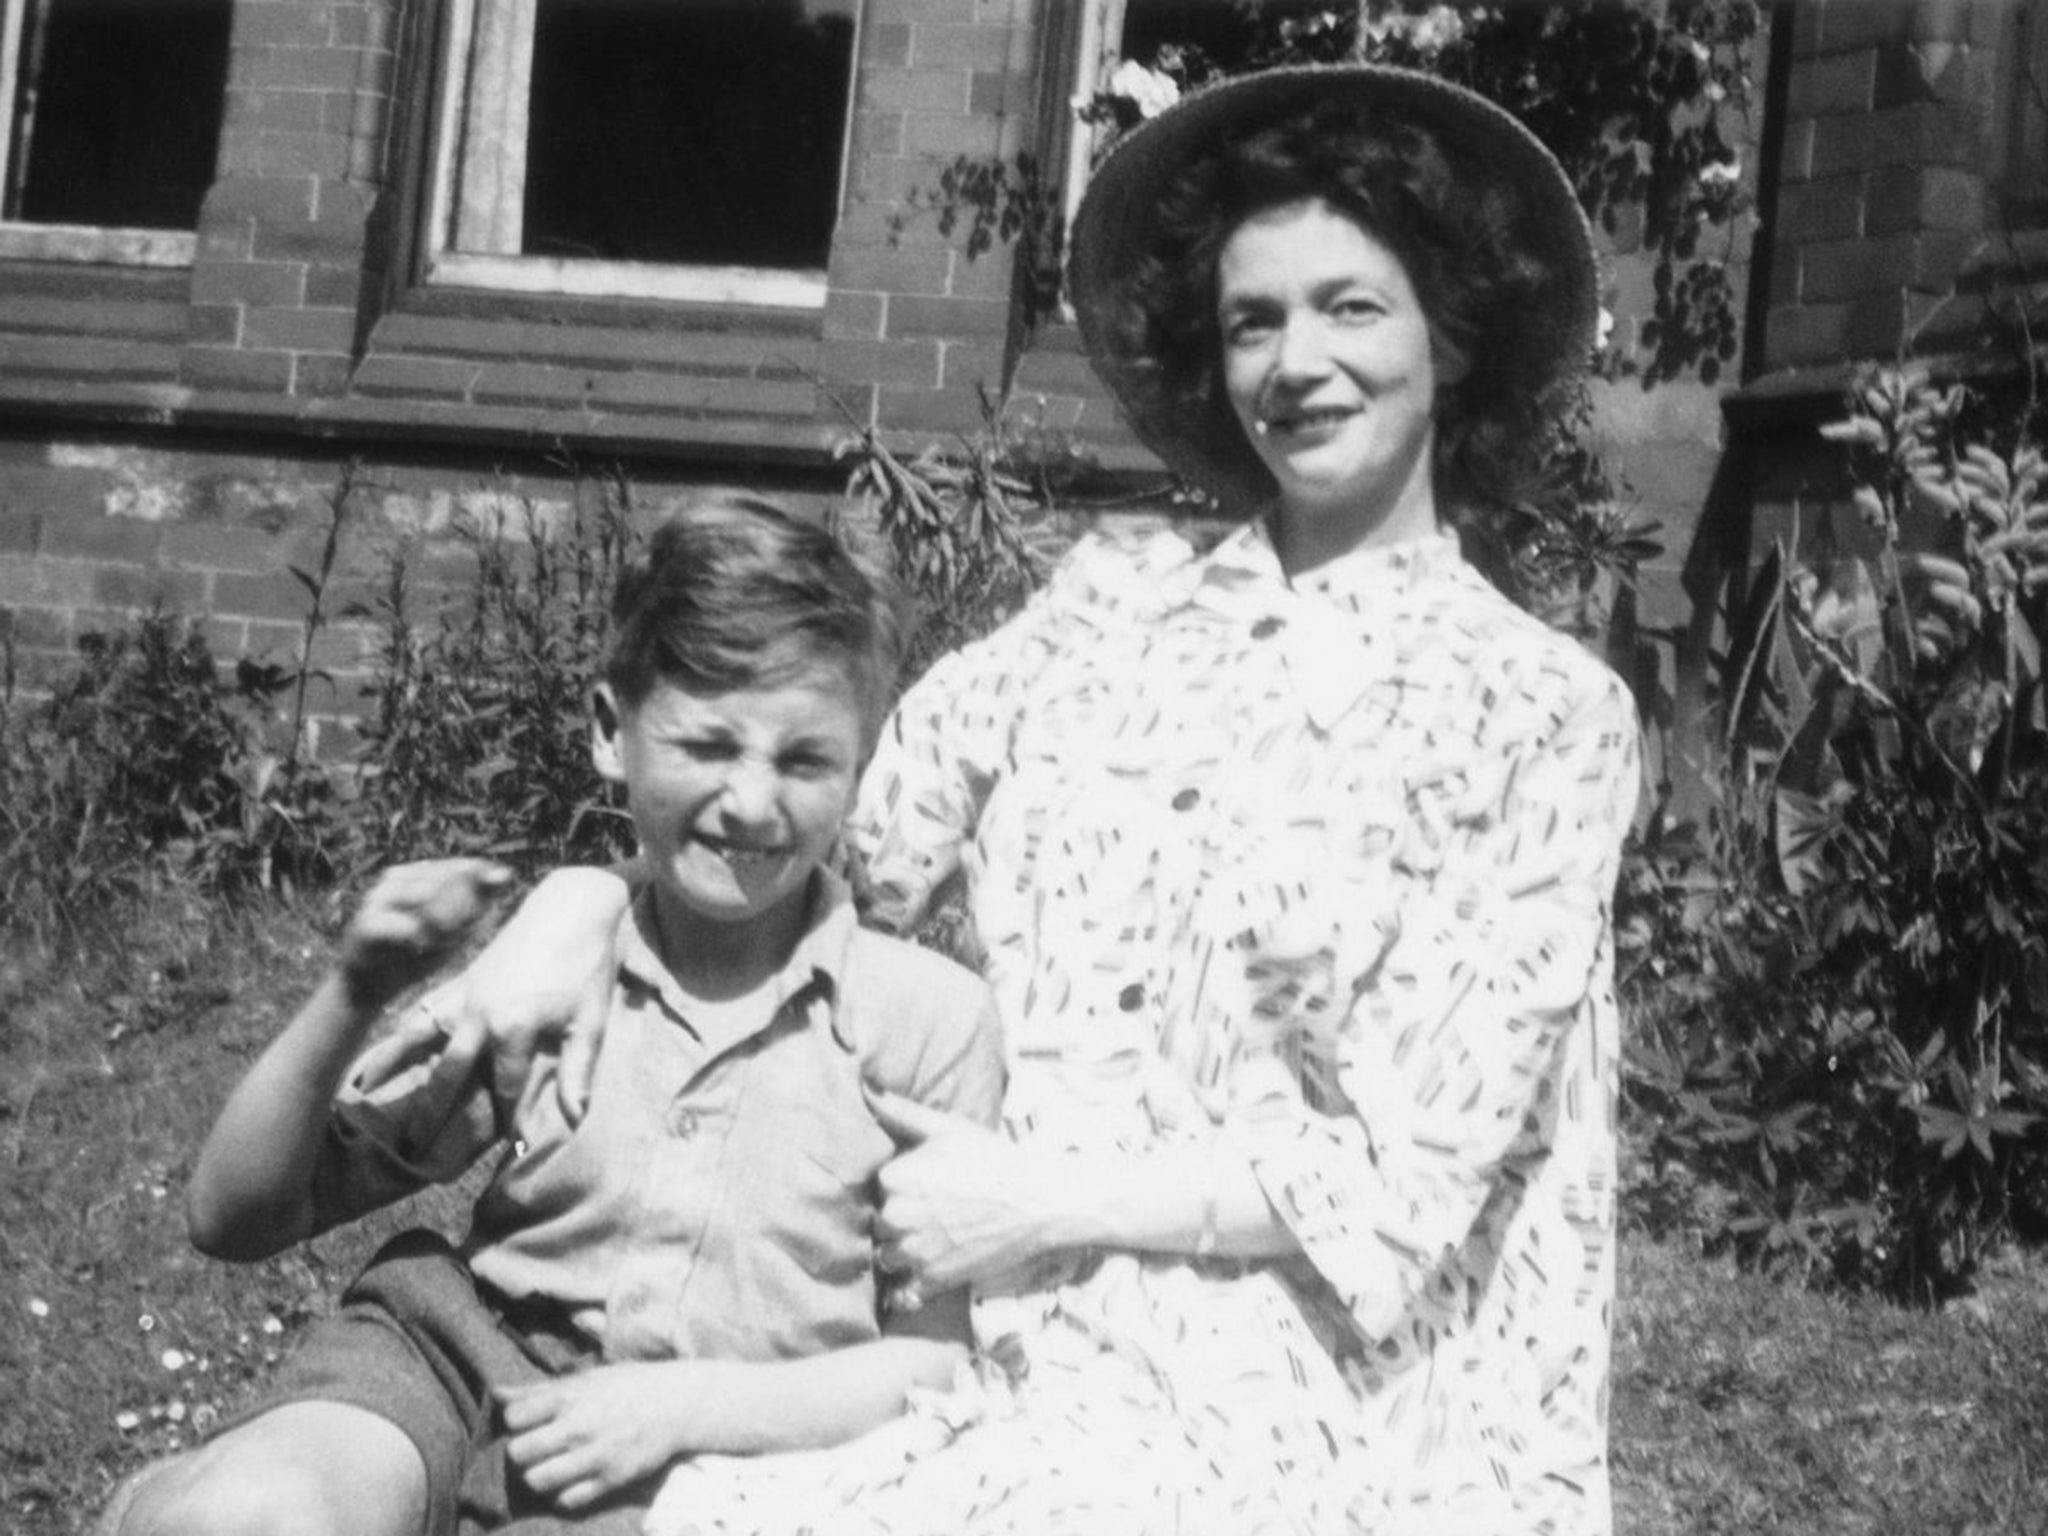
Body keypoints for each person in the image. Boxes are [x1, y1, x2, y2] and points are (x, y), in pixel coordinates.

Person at [428, 62, 1639, 1536]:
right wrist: (574, 906)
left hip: (1338, 1392)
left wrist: (1041, 1201)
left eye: (1351, 306)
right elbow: (817, 842)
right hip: (995, 1319)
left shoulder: (1541, 712)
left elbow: (1399, 1182)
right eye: (1253, 319)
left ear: (1450, 335)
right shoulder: (1099, 617)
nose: (1293, 363)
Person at [98, 497, 1005, 1536]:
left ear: (858, 764)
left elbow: (939, 1356)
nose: (752, 804)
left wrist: (686, 1410)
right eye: (705, 745)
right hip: (463, 1363)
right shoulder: (550, 966)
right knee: (251, 1522)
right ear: (610, 734)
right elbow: (237, 1216)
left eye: (804, 761)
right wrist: (355, 990)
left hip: (728, 1451)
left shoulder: (925, 1022)